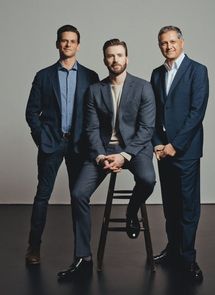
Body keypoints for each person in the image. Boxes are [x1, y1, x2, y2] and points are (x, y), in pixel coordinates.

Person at [57, 38, 156, 280]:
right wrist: (101, 156)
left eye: (119, 55)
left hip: (135, 149)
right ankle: (83, 257)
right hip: (103, 150)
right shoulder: (94, 90)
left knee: (148, 179)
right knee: (79, 194)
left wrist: (124, 155)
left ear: (127, 58)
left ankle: (132, 212)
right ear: (105, 60)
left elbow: (146, 128)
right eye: (110, 56)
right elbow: (91, 128)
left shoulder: (143, 87)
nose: (115, 60)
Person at [25, 24, 99, 265]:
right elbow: (31, 112)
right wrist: (41, 137)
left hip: (78, 146)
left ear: (78, 45)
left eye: (72, 41)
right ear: (57, 44)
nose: (68, 44)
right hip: (51, 145)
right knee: (42, 197)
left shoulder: (91, 77)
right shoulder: (43, 76)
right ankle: (33, 248)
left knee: (78, 198)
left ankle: (81, 254)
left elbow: (96, 114)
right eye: (63, 40)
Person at [151, 26, 209, 282]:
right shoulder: (156, 74)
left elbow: (197, 112)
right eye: (164, 43)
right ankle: (173, 249)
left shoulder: (198, 71)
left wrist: (176, 145)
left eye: (173, 41)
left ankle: (188, 258)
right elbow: (151, 113)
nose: (169, 46)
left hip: (185, 152)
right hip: (164, 151)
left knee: (187, 207)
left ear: (182, 43)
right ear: (160, 45)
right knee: (170, 205)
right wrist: (157, 144)